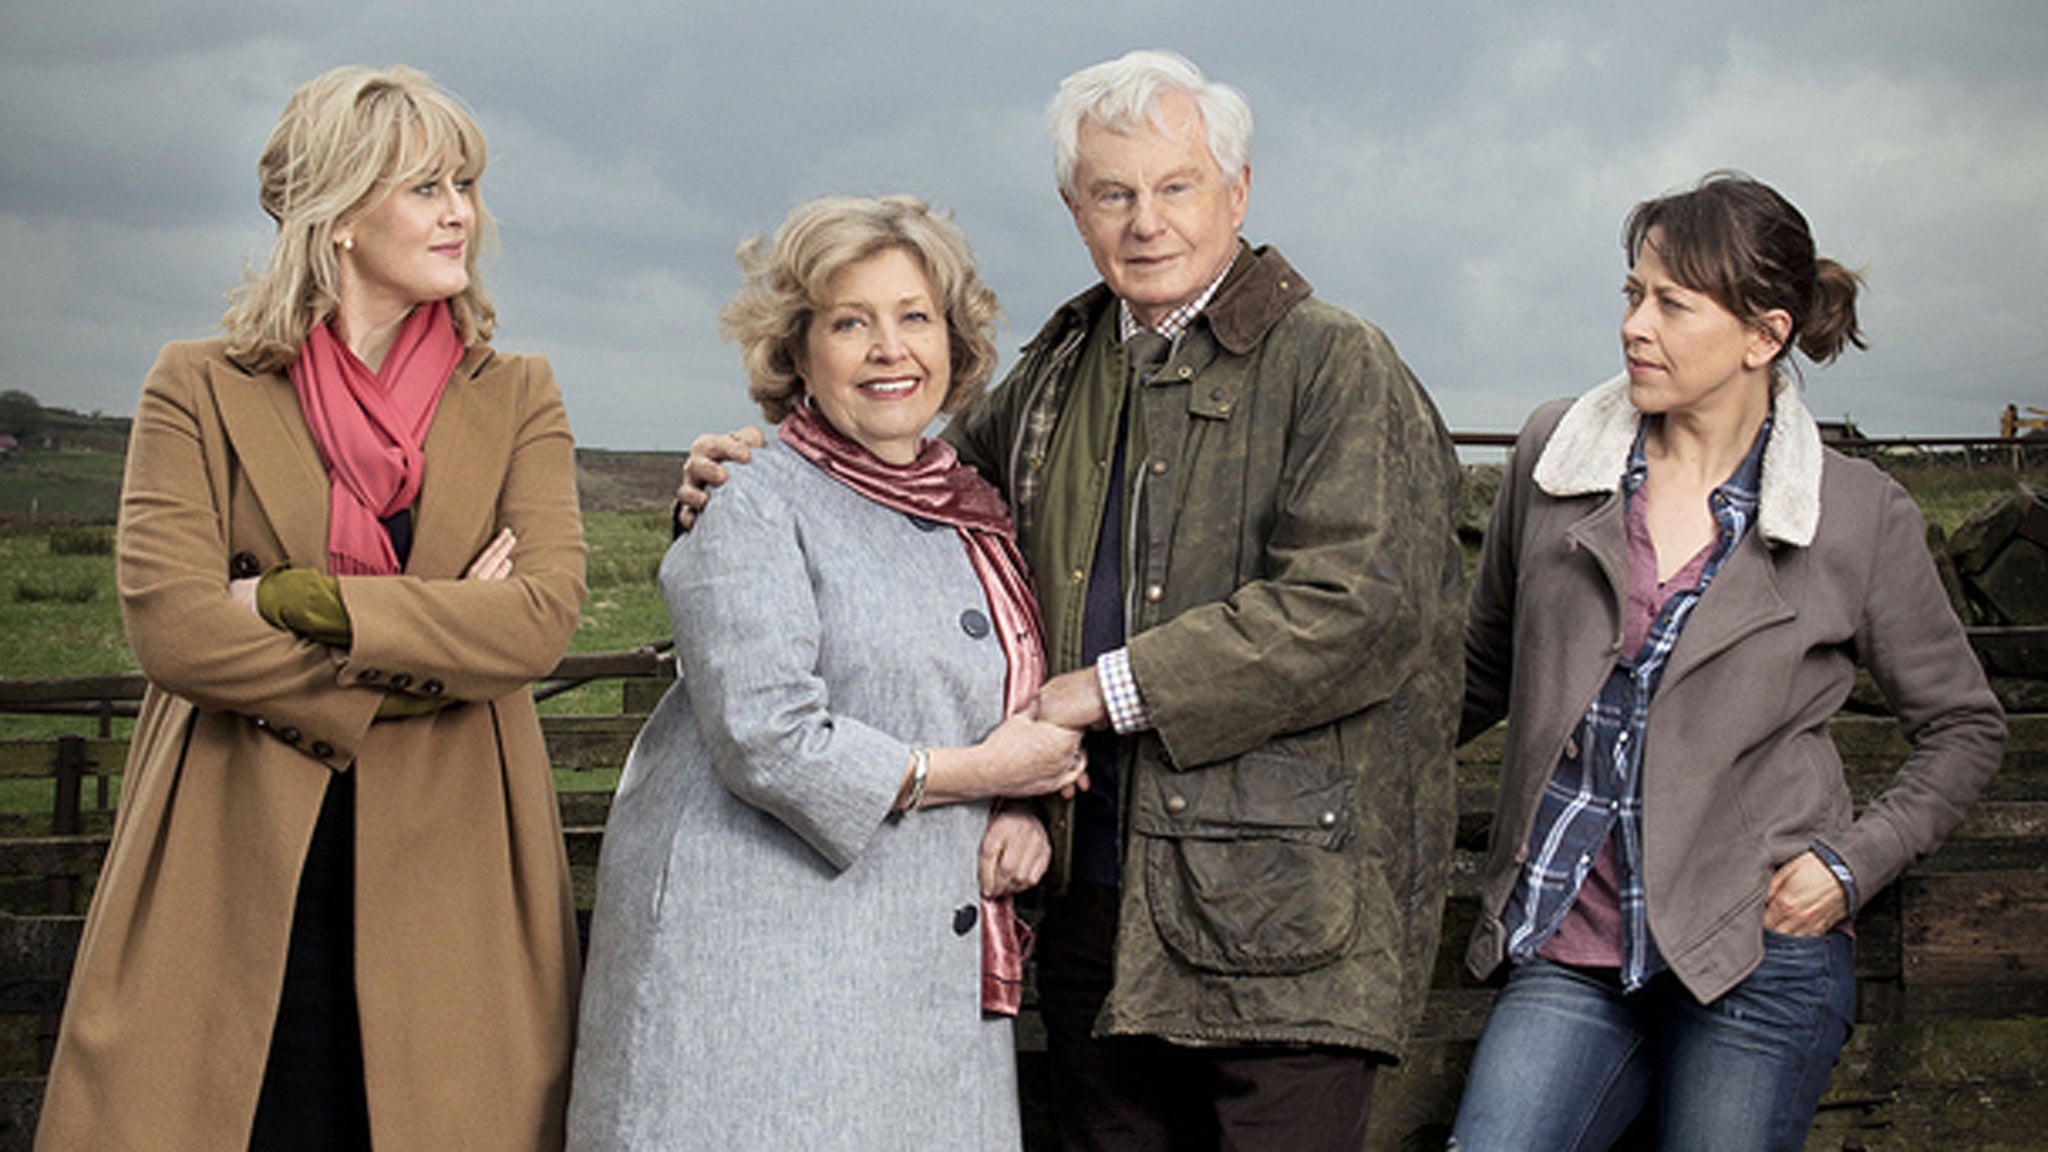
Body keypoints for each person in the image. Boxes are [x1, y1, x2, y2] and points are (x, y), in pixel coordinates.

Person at [676, 50, 1466, 1151]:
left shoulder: (1336, 365)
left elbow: (1357, 607)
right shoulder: (1059, 367)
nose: (1145, 221)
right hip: (1093, 899)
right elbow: (913, 505)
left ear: (1236, 192)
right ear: (1074, 209)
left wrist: (1104, 691)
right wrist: (745, 482)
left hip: (1284, 918)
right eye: (1113, 192)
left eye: (1176, 186)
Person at [35, 66, 586, 1151]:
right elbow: (177, 630)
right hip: (231, 858)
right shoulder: (195, 386)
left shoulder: (518, 393)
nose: (459, 212)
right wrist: (435, 646)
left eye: (464, 183)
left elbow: (536, 622)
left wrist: (297, 603)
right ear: (336, 216)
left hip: (457, 864)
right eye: (426, 186)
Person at [1449, 172, 2007, 1151]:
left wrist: (1845, 865)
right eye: (1630, 294)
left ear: (1763, 335)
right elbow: (1471, 676)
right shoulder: (1552, 458)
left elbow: (1963, 729)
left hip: (1755, 959)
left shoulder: (1853, 511)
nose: (1634, 325)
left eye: (1670, 303)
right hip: (1567, 950)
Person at [566, 195, 1087, 1150]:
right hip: (764, 984)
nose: (890, 349)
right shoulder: (749, 500)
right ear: (797, 353)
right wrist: (984, 777)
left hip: (913, 988)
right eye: (852, 322)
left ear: (955, 342)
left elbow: (1000, 696)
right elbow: (770, 738)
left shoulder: (974, 508)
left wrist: (1023, 807)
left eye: (913, 317)